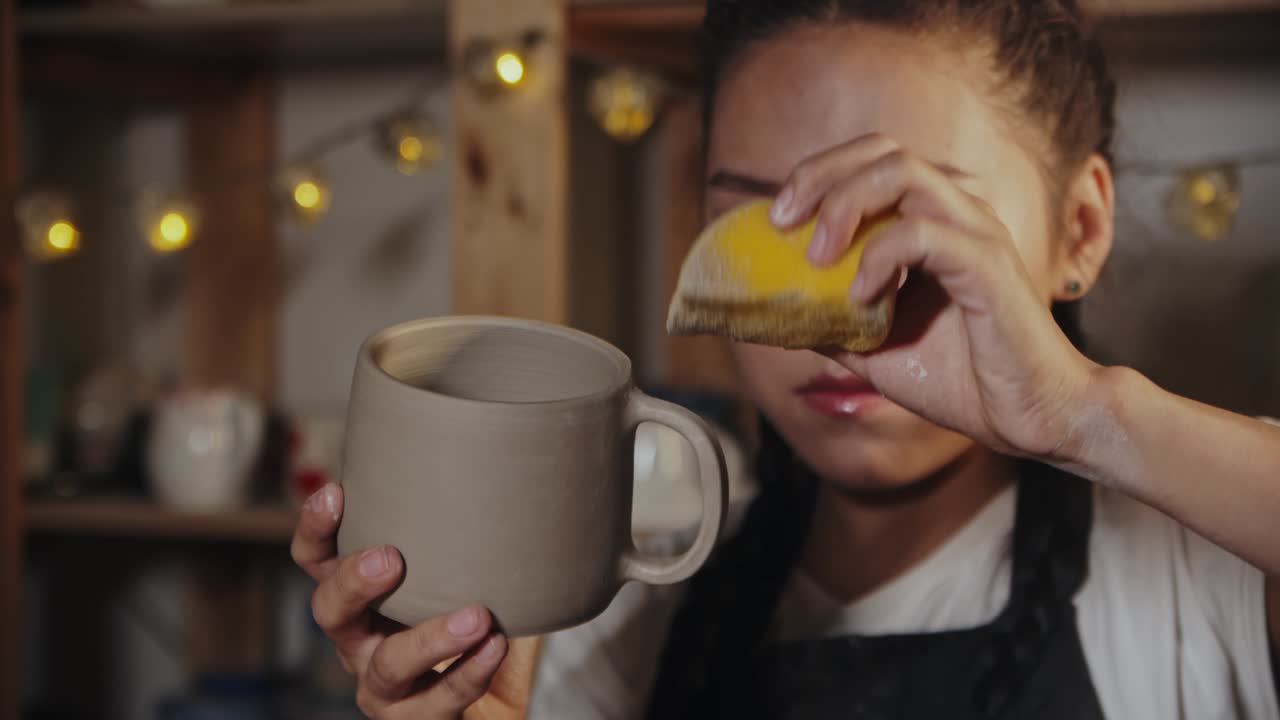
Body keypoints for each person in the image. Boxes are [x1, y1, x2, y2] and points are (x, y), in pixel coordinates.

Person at [290, 1, 1280, 717]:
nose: (829, 308)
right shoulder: (612, 617)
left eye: (901, 221)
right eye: (758, 227)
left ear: (1079, 227)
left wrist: (1086, 418)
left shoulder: (1202, 580)